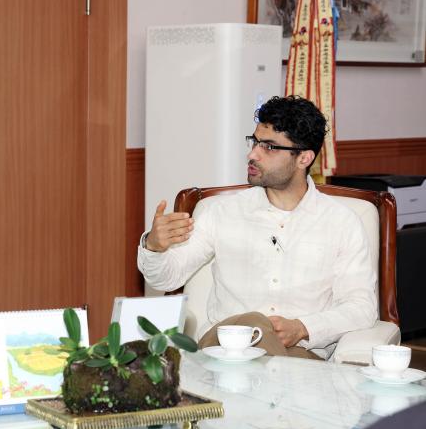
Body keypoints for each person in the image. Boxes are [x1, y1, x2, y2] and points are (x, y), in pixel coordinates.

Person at [138, 96, 377, 359]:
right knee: (255, 322)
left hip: (299, 356)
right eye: (254, 142)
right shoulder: (222, 211)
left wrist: (303, 328)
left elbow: (361, 307)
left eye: (269, 147)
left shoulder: (341, 222)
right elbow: (167, 278)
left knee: (277, 354)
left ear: (304, 158)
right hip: (224, 348)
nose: (253, 154)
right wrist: (154, 247)